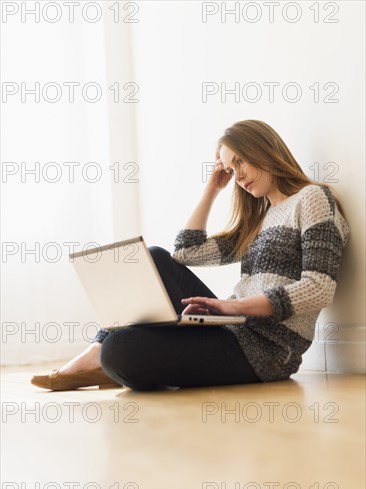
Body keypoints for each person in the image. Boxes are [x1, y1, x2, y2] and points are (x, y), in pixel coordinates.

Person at [31, 119, 349, 391]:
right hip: (234, 329)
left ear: (263, 149)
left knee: (120, 349)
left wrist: (231, 306)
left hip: (268, 351)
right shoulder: (260, 218)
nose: (237, 175)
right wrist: (212, 188)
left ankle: (106, 357)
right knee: (154, 258)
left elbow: (319, 287)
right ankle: (96, 351)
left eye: (240, 161)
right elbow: (185, 253)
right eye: (229, 168)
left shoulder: (312, 198)